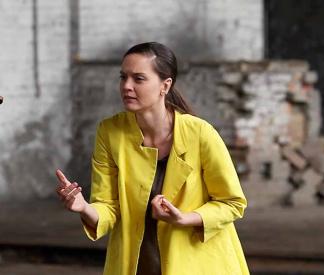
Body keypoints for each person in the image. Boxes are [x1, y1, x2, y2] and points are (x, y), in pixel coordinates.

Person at [56, 42, 249, 275]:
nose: (126, 86)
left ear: (165, 85)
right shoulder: (109, 132)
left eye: (138, 79)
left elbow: (232, 203)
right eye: (123, 77)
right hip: (137, 264)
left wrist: (184, 219)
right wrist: (84, 208)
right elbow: (107, 206)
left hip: (200, 263)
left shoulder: (200, 133)